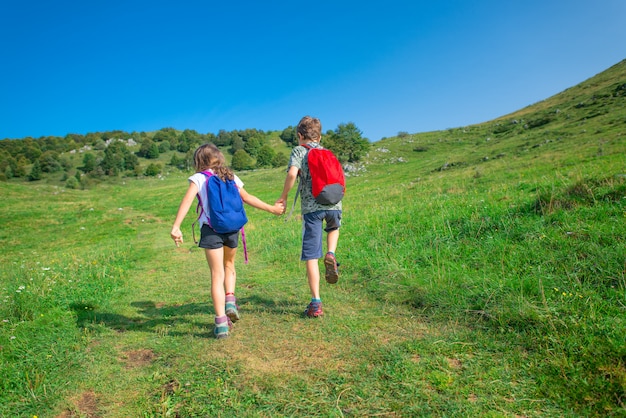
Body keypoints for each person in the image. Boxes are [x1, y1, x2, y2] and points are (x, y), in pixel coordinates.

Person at [171, 143, 284, 339]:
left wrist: (176, 226)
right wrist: (272, 209)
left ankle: (222, 323)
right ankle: (230, 299)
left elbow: (188, 200)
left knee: (216, 274)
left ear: (199, 161)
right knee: (229, 264)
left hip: (211, 229)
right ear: (219, 158)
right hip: (232, 228)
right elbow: (247, 198)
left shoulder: (199, 178)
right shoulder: (231, 176)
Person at [276, 116, 342, 318]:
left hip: (312, 209)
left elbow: (292, 174)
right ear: (319, 136)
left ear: (299, 136)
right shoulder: (326, 152)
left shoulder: (299, 150)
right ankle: (331, 253)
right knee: (333, 228)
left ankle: (316, 303)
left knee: (312, 256)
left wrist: (284, 196)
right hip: (334, 204)